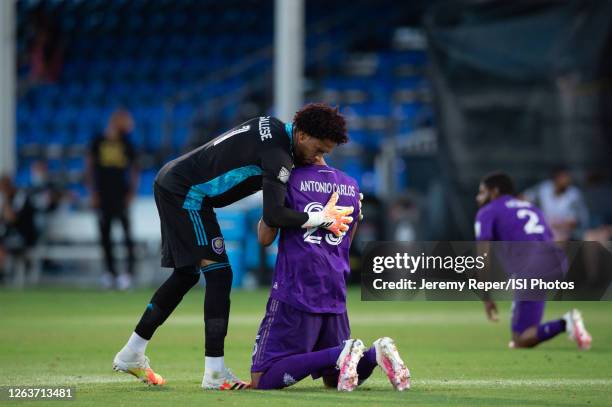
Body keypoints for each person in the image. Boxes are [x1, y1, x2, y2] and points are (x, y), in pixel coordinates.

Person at [112, 103, 355, 389]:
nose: (320, 158)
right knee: (220, 274)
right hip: (188, 194)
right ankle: (214, 373)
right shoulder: (278, 156)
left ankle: (132, 352)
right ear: (301, 136)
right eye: (319, 150)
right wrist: (322, 218)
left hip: (175, 181)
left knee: (186, 275)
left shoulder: (272, 126)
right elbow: (274, 215)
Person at [251, 160, 410, 391]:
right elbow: (348, 237)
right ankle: (376, 353)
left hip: (296, 287)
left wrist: (273, 204)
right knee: (334, 378)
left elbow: (265, 238)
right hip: (334, 286)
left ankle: (342, 351)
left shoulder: (289, 180)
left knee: (262, 379)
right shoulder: (350, 184)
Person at [475, 171, 592, 349]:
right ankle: (565, 322)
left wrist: (486, 296)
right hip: (556, 261)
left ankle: (567, 322)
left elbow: (482, 256)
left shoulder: (488, 211)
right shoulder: (531, 207)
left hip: (532, 266)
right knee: (521, 336)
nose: (478, 198)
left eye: (482, 192)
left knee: (521, 339)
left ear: (494, 191)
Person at [86, 109, 139, 290]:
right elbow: (90, 167)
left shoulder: (126, 143)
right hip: (103, 196)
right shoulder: (98, 141)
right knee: (105, 235)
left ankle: (128, 273)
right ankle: (110, 272)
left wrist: (131, 192)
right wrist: (93, 193)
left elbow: (134, 169)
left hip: (120, 195)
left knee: (126, 235)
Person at [523, 167, 589, 241]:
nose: (567, 180)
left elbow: (579, 218)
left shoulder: (574, 194)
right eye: (564, 177)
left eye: (568, 177)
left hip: (566, 232)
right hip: (544, 229)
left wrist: (560, 224)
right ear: (556, 178)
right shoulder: (543, 189)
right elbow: (525, 197)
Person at [0, 175, 37, 283]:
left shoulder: (21, 198)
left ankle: (2, 275)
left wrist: (5, 200)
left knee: (1, 246)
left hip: (25, 236)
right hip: (11, 235)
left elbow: (11, 218)